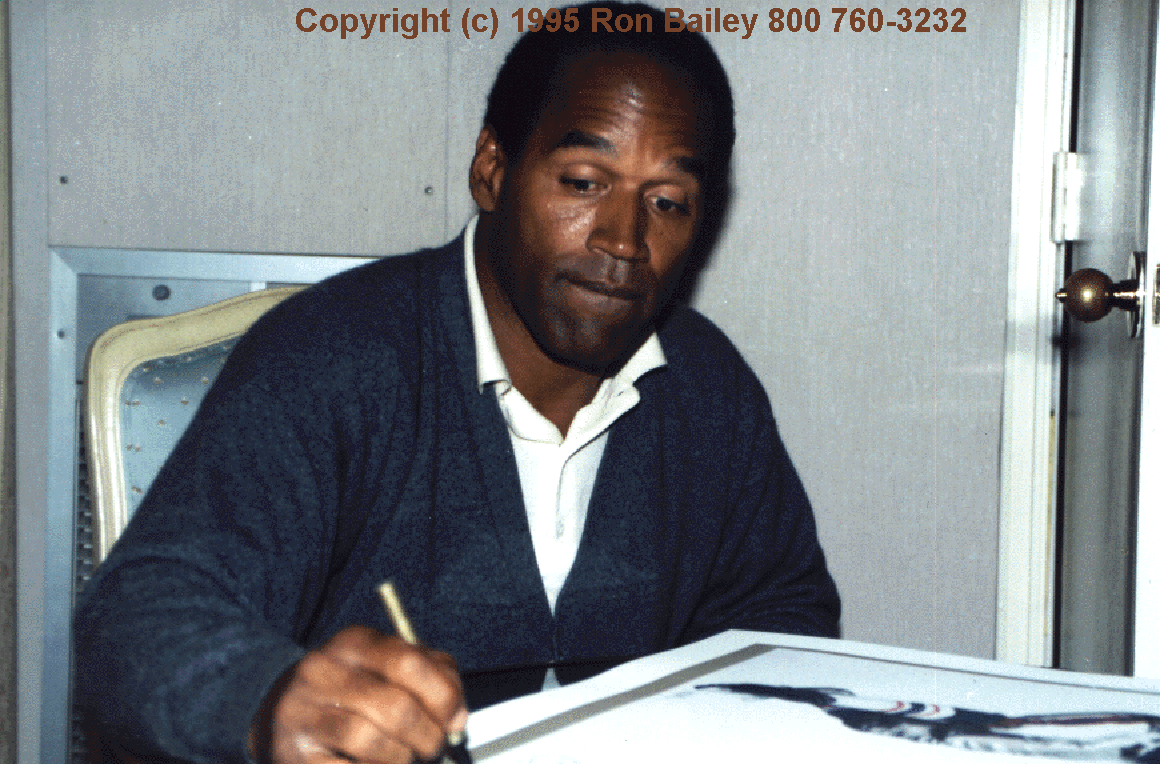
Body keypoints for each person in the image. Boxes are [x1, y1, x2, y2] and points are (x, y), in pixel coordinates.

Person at [73, 4, 841, 763]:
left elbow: (782, 618)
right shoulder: (333, 356)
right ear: (493, 171)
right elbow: (142, 616)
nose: (624, 240)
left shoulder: (709, 390)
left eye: (667, 202)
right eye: (583, 182)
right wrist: (267, 700)